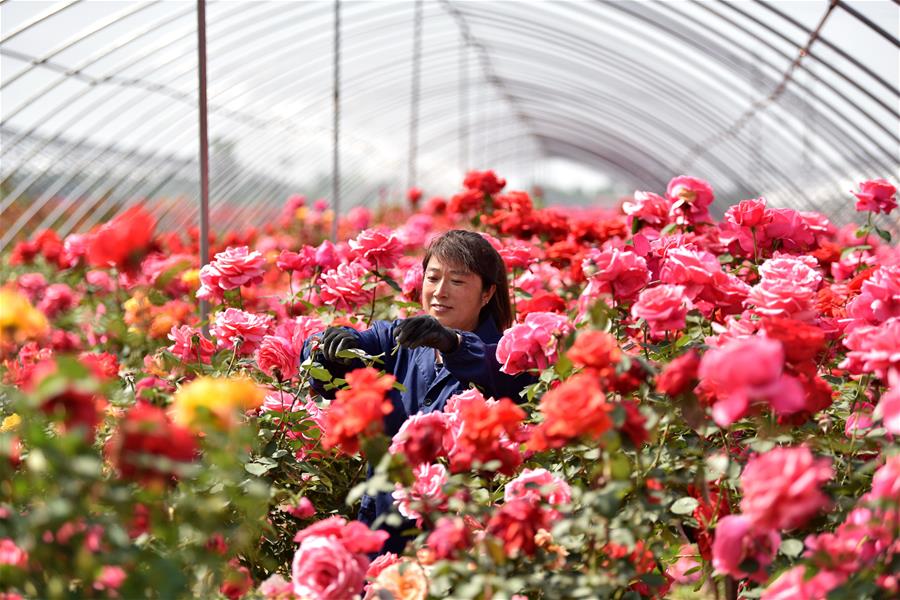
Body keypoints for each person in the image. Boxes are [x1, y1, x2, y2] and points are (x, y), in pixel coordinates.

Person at [305, 229, 535, 555]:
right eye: (433, 278)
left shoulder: (507, 357)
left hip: (459, 539)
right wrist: (331, 345)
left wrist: (452, 343)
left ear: (487, 294)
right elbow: (335, 356)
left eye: (457, 282)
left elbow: (500, 373)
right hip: (384, 531)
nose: (440, 292)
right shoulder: (399, 341)